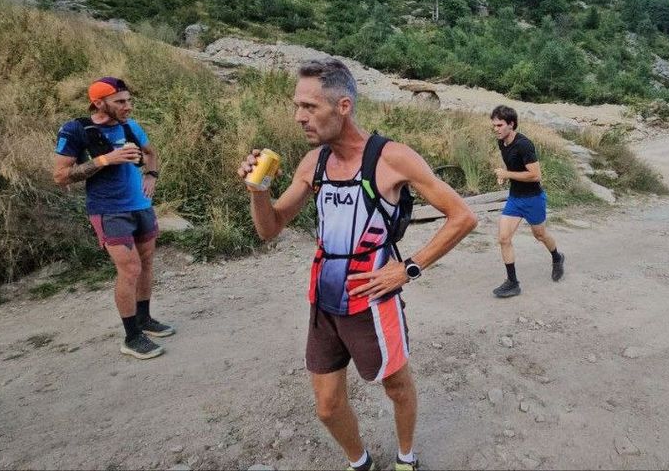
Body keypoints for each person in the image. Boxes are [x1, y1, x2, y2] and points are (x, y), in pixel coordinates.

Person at [238, 58, 477, 471]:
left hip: (372, 300)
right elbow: (270, 228)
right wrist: (258, 191)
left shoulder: (392, 158)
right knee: (327, 406)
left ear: (343, 106)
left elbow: (463, 216)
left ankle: (405, 457)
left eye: (309, 107)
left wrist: (409, 268)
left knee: (396, 387)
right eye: (297, 106)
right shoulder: (313, 163)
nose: (299, 117)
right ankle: (360, 463)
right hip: (323, 300)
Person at [53, 77, 173, 360]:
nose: (128, 106)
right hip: (108, 210)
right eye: (120, 101)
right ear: (98, 103)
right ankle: (132, 337)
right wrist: (107, 159)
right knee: (130, 269)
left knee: (146, 263)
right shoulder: (76, 130)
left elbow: (150, 153)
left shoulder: (131, 126)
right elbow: (60, 176)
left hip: (141, 206)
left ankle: (144, 319)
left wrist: (151, 176)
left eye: (129, 100)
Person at [489, 105, 565, 298]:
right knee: (504, 238)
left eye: (499, 125)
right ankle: (512, 283)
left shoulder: (524, 145)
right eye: (494, 125)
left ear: (511, 124)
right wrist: (504, 176)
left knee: (540, 235)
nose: (496, 129)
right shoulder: (502, 142)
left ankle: (557, 257)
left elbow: (535, 175)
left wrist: (507, 174)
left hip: (533, 199)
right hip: (515, 199)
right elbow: (512, 166)